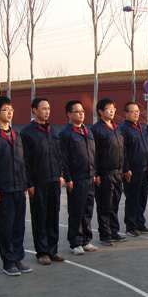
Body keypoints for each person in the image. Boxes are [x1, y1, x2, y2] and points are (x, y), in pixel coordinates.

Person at [0, 96, 33, 277]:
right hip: (3, 190)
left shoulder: (16, 135)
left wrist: (26, 183)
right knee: (5, 227)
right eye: (5, 110)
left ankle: (18, 258)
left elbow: (23, 161)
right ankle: (8, 261)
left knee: (19, 226)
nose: (10, 112)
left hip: (19, 188)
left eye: (11, 109)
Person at [21, 97, 65, 265]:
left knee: (53, 215)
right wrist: (29, 183)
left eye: (48, 108)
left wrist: (61, 174)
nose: (47, 111)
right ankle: (42, 252)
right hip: (38, 182)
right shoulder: (27, 133)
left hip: (54, 179)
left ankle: (53, 250)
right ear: (34, 110)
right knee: (40, 216)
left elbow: (59, 155)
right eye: (43, 108)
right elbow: (25, 161)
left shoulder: (53, 131)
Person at [59, 100, 99, 255]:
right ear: (69, 114)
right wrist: (68, 178)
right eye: (77, 111)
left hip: (90, 177)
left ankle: (86, 240)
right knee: (76, 211)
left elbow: (93, 154)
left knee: (88, 210)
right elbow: (64, 158)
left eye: (82, 111)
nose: (81, 114)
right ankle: (75, 242)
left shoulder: (88, 131)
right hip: (76, 178)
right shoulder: (66, 134)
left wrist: (95, 173)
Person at [91, 97, 127, 246]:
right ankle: (105, 235)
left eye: (113, 108)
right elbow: (94, 154)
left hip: (117, 172)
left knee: (115, 204)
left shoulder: (116, 128)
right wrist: (96, 174)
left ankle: (114, 231)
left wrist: (124, 169)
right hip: (104, 173)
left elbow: (122, 150)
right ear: (100, 111)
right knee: (105, 205)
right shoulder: (96, 129)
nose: (112, 111)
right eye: (108, 109)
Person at [120, 101, 148, 236]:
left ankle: (140, 223)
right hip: (132, 170)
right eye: (133, 111)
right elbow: (123, 152)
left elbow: (147, 147)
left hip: (144, 168)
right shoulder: (124, 129)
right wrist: (126, 169)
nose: (136, 114)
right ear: (126, 114)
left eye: (137, 111)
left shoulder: (142, 127)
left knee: (142, 198)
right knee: (132, 198)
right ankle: (131, 226)